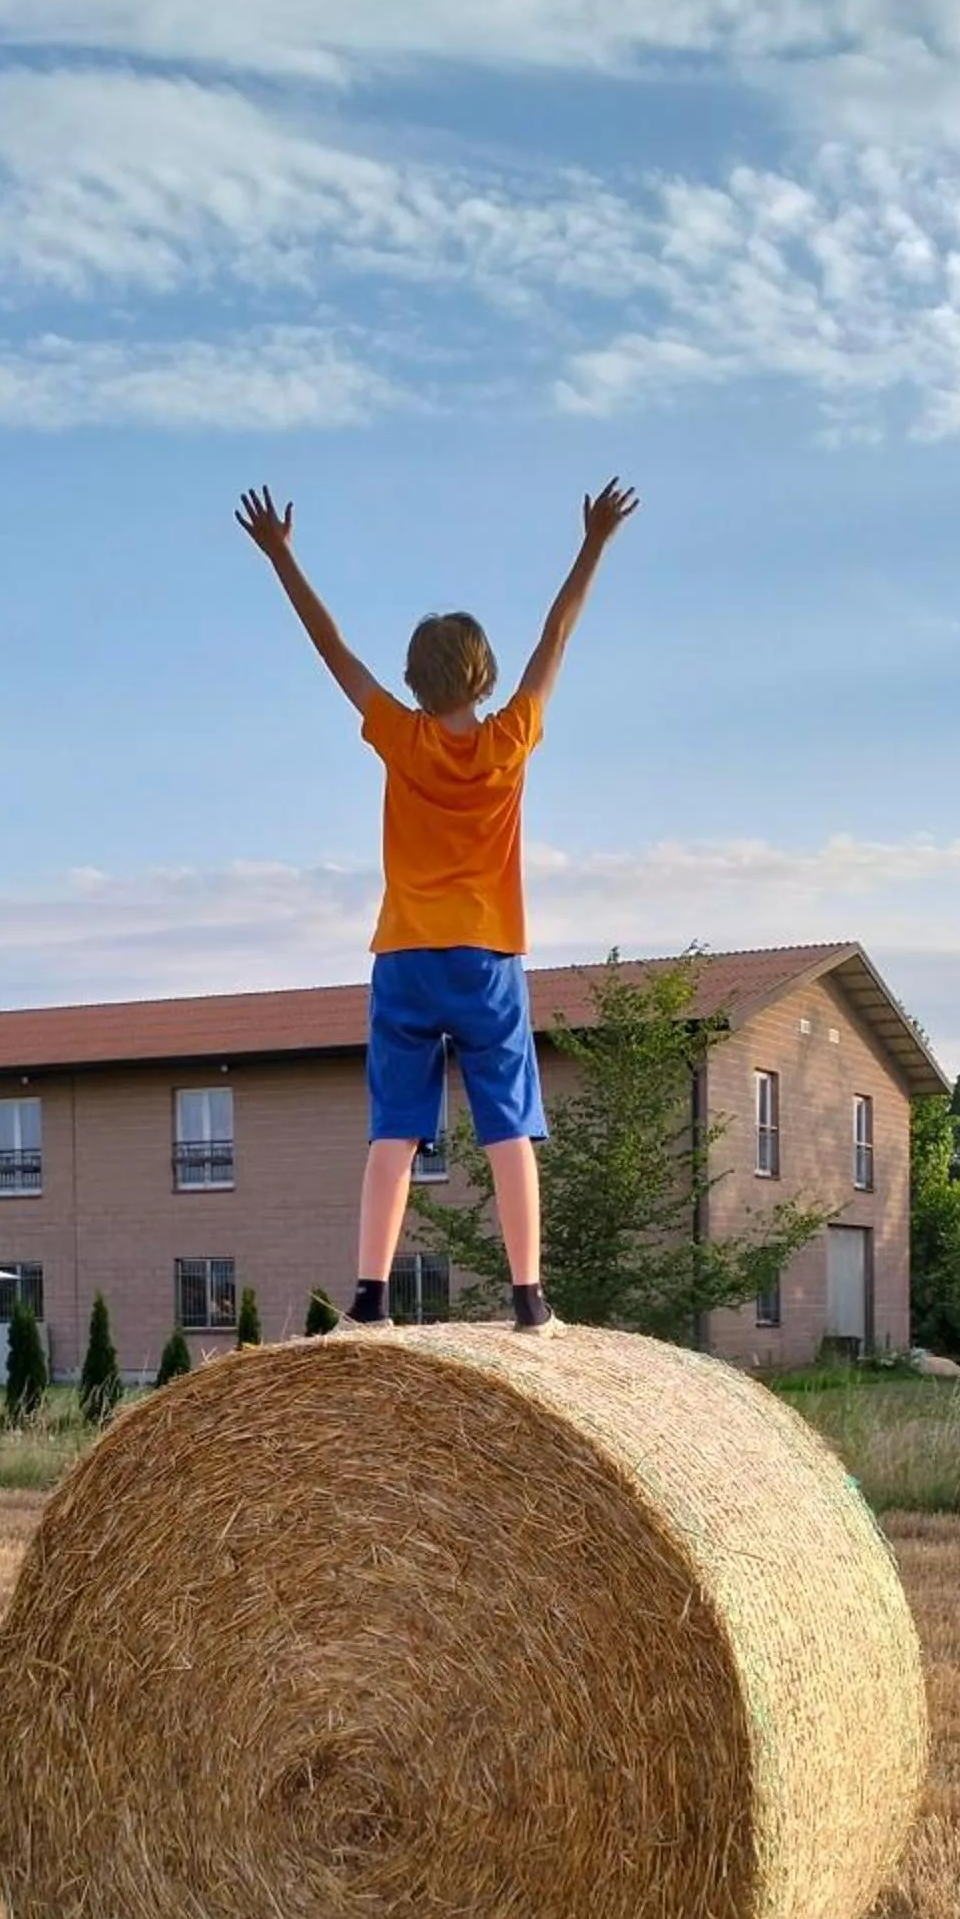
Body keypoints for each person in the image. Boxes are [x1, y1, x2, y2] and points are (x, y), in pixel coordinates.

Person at [235, 477, 639, 1335]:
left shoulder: (399, 734)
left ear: (414, 683)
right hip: (488, 956)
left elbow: (332, 648)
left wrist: (282, 558)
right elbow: (556, 635)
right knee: (508, 1127)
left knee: (395, 1128)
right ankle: (530, 1301)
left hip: (407, 956)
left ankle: (369, 1300)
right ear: (483, 676)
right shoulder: (512, 736)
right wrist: (594, 541)